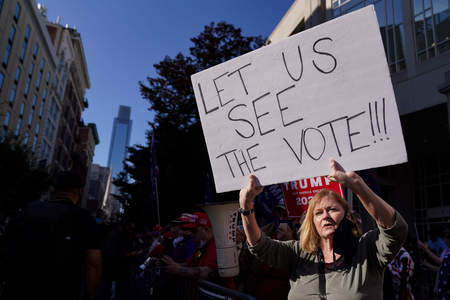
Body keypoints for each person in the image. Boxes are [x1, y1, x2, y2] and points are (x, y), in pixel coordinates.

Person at [239, 158, 408, 300]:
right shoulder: (300, 253)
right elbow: (259, 246)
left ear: (347, 216)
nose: (325, 215)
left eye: (332, 209)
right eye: (318, 212)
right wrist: (246, 206)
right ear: (312, 222)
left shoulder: (367, 249)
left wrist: (357, 185)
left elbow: (395, 229)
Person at [2, 170, 102, 300]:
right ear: (80, 191)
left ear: (53, 188)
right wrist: (91, 294)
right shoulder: (84, 219)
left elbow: (6, 247)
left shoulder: (28, 210)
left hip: (18, 289)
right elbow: (92, 264)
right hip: (60, 291)